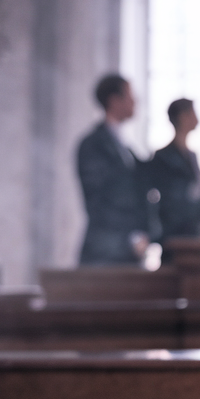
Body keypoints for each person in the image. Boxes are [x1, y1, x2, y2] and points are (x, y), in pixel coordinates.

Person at [76, 74, 152, 266]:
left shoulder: (124, 146)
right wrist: (130, 239)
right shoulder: (93, 145)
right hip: (105, 254)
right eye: (129, 95)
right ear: (114, 100)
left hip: (126, 253)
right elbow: (98, 202)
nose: (135, 101)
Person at [147, 98, 200, 262]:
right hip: (175, 237)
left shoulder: (192, 156)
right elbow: (174, 202)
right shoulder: (163, 157)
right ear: (183, 117)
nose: (197, 119)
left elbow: (196, 193)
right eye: (192, 113)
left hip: (194, 235)